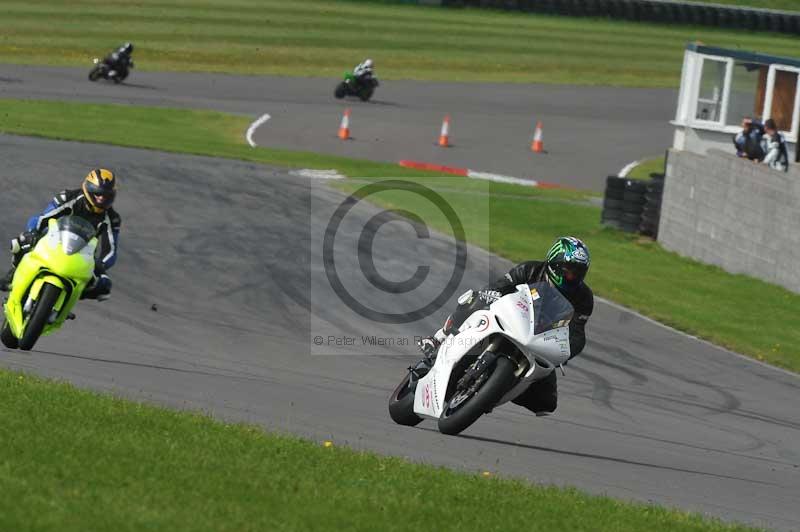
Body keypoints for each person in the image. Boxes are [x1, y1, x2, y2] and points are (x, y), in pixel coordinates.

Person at [415, 236, 593, 416]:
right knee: (474, 299)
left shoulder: (584, 298)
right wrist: (490, 294)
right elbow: (500, 286)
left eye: (579, 272)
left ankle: (494, 392)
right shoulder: (530, 269)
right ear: (555, 264)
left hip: (540, 341)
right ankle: (440, 338)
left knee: (547, 403)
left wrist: (565, 352)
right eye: (569, 270)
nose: (573, 276)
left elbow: (577, 332)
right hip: (510, 318)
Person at [0, 169, 121, 301]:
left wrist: (101, 265)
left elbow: (111, 250)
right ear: (88, 190)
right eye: (98, 193)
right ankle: (13, 274)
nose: (102, 198)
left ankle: (67, 301)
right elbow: (42, 218)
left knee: (104, 287)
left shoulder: (112, 218)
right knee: (22, 242)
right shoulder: (68, 197)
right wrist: (33, 232)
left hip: (83, 253)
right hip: (53, 239)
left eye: (106, 195)